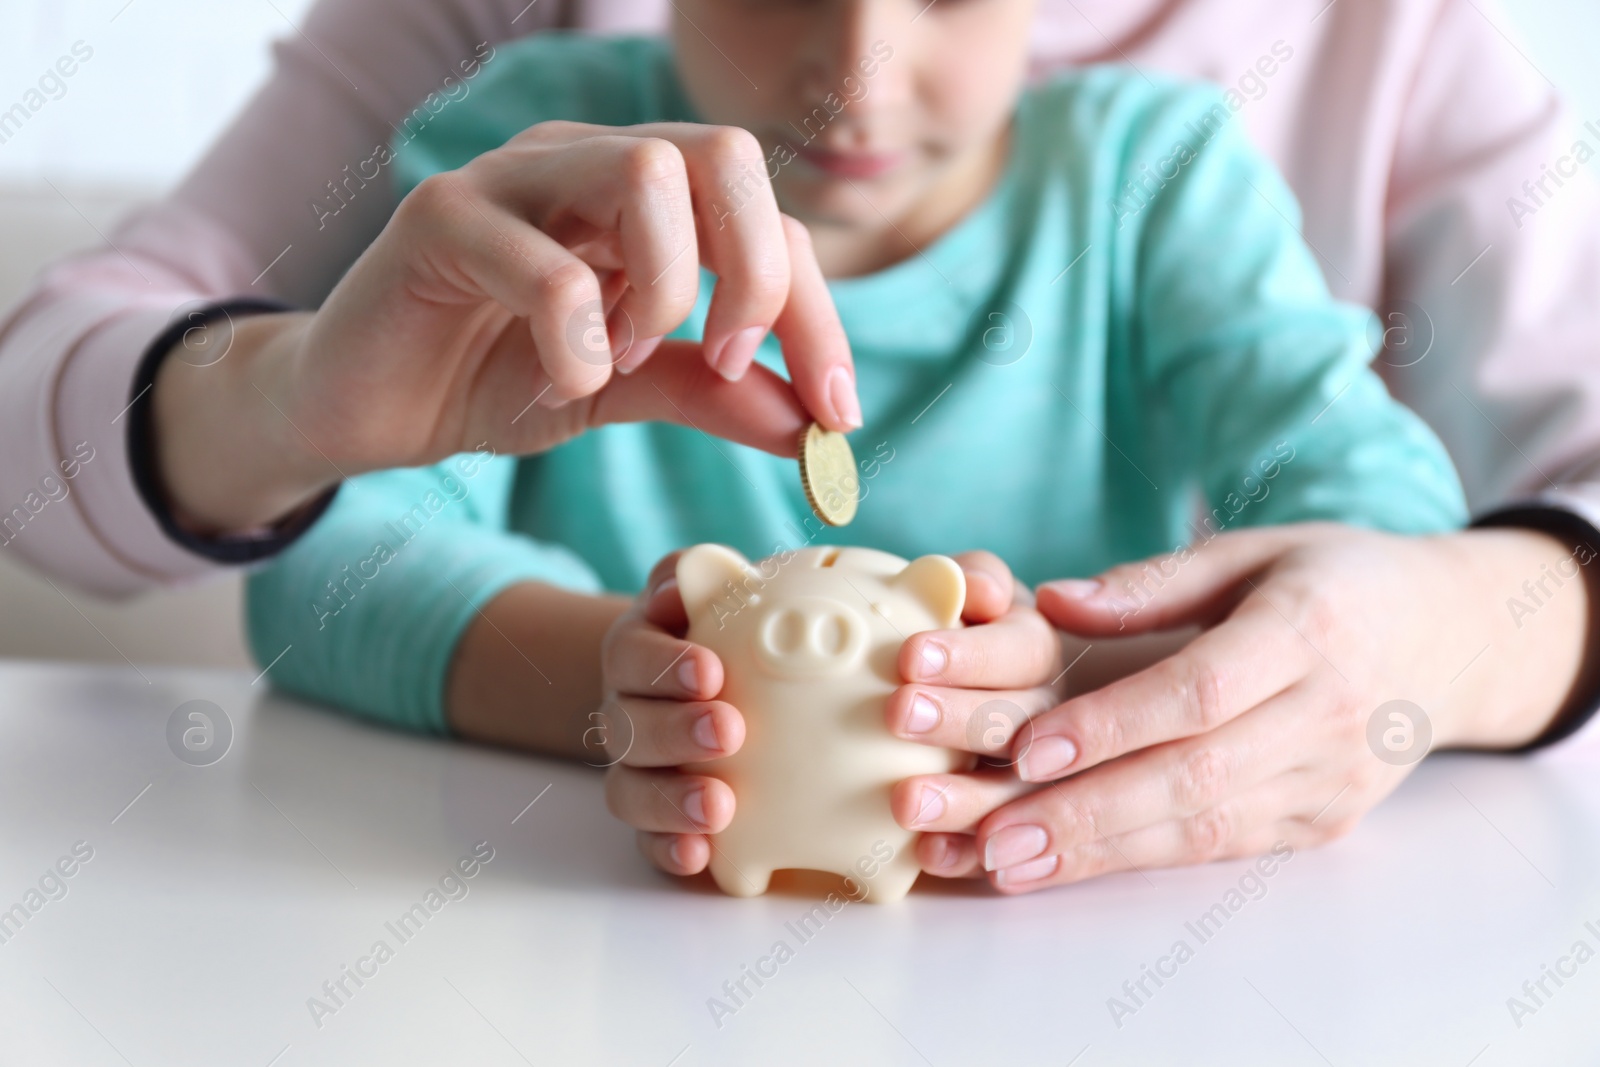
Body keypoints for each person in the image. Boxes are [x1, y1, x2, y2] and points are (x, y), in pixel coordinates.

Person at [1, 0, 1597, 894]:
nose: (861, 71)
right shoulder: (539, 148)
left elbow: (1378, 520)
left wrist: (1080, 693)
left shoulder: (1160, 175)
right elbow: (335, 561)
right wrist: (653, 696)